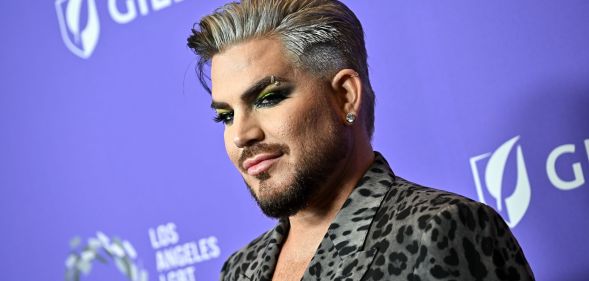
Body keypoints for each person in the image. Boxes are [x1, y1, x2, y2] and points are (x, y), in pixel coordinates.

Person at [187, 0, 535, 280]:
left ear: (345, 96)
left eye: (268, 98)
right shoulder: (240, 270)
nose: (241, 135)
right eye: (226, 115)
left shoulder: (435, 231)